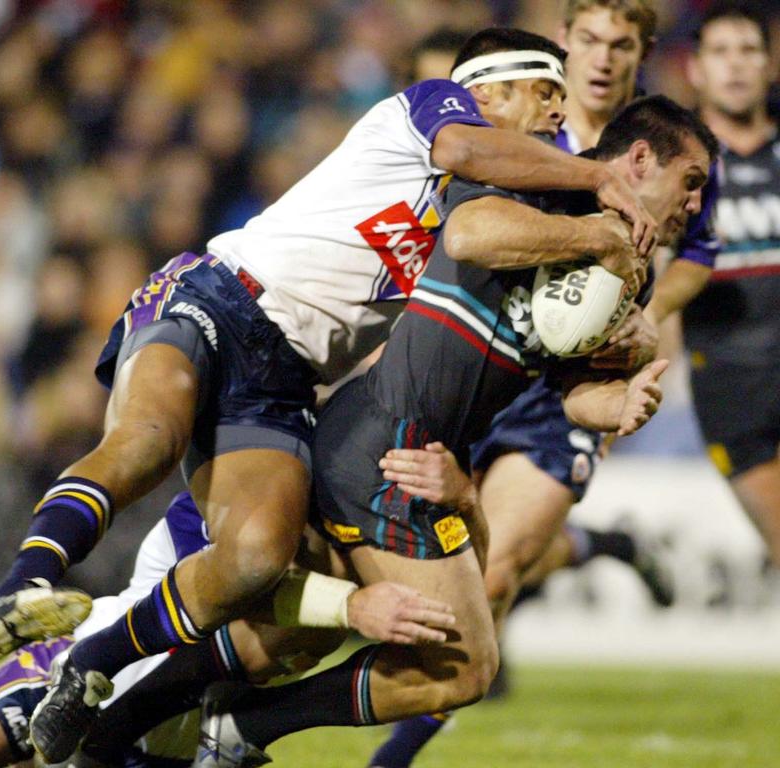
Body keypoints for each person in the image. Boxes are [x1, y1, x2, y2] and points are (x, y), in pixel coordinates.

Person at [0, 25, 658, 763]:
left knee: (257, 556)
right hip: (222, 296)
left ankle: (92, 665)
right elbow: (464, 154)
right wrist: (596, 180)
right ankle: (25, 584)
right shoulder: (435, 108)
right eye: (547, 93)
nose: (558, 115)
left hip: (290, 378)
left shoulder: (503, 206)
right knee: (148, 441)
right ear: (491, 87)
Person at [184, 94, 714, 767]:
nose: (695, 206)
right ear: (639, 159)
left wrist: (619, 404)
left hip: (433, 443)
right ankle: (195, 709)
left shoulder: (630, 274)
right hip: (389, 434)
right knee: (456, 658)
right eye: (690, 183)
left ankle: (138, 703)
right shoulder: (543, 182)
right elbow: (467, 236)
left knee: (302, 631)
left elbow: (572, 392)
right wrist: (599, 235)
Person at [368, 5, 721, 764]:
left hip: (562, 384)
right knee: (478, 551)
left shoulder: (665, 148)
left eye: (619, 44)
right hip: (478, 361)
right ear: (563, 47)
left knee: (492, 573)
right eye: (587, 40)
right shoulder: (531, 135)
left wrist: (648, 314)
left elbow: (699, 249)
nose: (600, 58)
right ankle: (600, 543)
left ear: (642, 52)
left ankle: (387, 759)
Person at [0, 493, 452, 768]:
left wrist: (464, 499)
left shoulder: (360, 503)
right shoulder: (242, 494)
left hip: (177, 740)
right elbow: (245, 592)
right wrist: (347, 606)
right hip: (77, 686)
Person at [684, 1, 780, 568]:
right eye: (721, 52)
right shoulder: (677, 169)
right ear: (695, 69)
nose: (736, 66)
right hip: (730, 387)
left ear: (770, 65)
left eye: (749, 51)